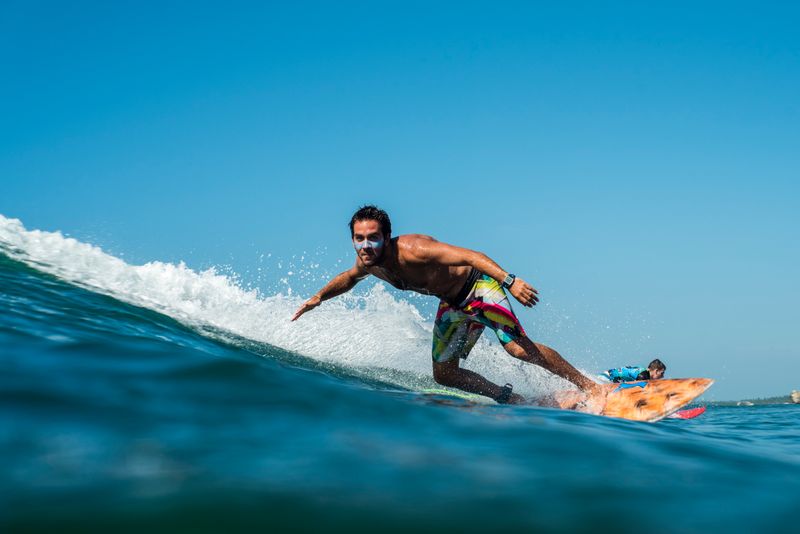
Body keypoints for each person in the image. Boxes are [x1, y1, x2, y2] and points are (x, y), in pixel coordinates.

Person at [292, 205, 605, 407]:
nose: (365, 245)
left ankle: (591, 387)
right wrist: (318, 297)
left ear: (387, 236)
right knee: (444, 374)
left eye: (372, 238)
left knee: (518, 349)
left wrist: (510, 281)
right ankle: (509, 398)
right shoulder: (368, 263)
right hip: (453, 304)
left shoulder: (415, 249)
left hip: (478, 286)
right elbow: (349, 278)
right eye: (359, 238)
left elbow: (471, 256)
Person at [601, 359, 666, 383]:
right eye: (662, 373)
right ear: (656, 371)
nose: (663, 376)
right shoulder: (643, 376)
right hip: (606, 379)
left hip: (605, 376)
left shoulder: (643, 371)